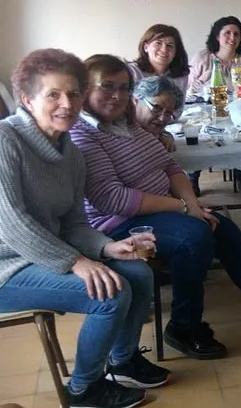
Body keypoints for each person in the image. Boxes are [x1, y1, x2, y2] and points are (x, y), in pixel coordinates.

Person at [71, 58, 241, 362]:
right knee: (194, 236)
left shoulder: (126, 125)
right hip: (118, 225)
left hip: (159, 213)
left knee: (220, 226)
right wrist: (183, 208)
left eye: (124, 88)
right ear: (86, 88)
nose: (117, 96)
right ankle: (184, 326)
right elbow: (113, 199)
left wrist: (192, 205)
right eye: (107, 87)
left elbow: (171, 167)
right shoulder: (83, 133)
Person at [0, 49, 168, 408]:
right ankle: (84, 390)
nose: (67, 103)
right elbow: (12, 226)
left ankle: (123, 362)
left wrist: (108, 247)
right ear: (27, 100)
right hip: (6, 266)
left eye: (74, 93)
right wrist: (77, 261)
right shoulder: (5, 141)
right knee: (109, 292)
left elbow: (74, 222)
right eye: (53, 95)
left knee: (138, 273)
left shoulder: (70, 152)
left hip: (45, 256)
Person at [187, 16, 241, 196]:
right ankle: (193, 176)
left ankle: (240, 175)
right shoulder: (203, 57)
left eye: (236, 34)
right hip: (203, 107)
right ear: (217, 36)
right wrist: (205, 77)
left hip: (233, 107)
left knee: (239, 132)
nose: (232, 38)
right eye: (227, 33)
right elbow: (188, 89)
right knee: (201, 134)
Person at [127, 24, 190, 95]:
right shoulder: (131, 72)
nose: (164, 50)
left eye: (170, 45)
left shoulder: (181, 75)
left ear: (176, 51)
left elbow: (179, 105)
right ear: (146, 47)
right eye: (158, 43)